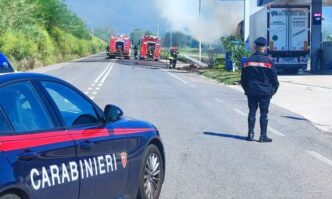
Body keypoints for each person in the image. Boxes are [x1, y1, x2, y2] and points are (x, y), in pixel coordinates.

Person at [241, 37, 279, 143]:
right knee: (264, 114)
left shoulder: (248, 61)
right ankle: (263, 136)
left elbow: (243, 79)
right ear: (265, 47)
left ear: (256, 46)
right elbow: (274, 79)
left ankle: (250, 134)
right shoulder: (269, 61)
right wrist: (273, 91)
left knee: (252, 112)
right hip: (265, 92)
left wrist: (247, 89)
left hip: (251, 91)